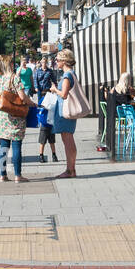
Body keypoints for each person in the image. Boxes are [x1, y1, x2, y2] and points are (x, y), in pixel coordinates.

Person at [0, 55, 29, 183]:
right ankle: (18, 175)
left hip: (3, 117)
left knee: (3, 146)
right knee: (17, 146)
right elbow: (22, 97)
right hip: (16, 116)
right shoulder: (14, 78)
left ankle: (2, 175)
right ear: (10, 65)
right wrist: (32, 103)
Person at [50, 49, 80, 179]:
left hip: (65, 112)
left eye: (57, 60)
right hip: (65, 111)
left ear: (64, 61)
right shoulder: (71, 74)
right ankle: (70, 169)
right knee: (67, 138)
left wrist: (55, 89)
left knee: (67, 139)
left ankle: (70, 170)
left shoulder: (67, 76)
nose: (56, 62)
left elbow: (64, 94)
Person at [34, 57, 59, 163]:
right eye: (42, 62)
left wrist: (54, 86)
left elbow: (53, 79)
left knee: (46, 140)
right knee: (48, 139)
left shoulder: (49, 71)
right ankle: (50, 155)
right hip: (40, 91)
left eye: (45, 62)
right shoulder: (37, 71)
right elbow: (35, 80)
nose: (44, 64)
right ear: (40, 63)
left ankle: (49, 155)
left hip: (47, 91)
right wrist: (36, 87)